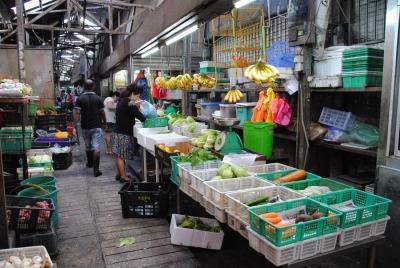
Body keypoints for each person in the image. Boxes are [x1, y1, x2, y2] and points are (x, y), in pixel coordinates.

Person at [112, 84, 146, 182]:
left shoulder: (122, 101)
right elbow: (141, 117)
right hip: (123, 133)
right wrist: (138, 107)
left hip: (118, 132)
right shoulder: (130, 103)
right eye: (138, 95)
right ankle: (123, 177)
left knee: (118, 156)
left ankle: (120, 174)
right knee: (121, 156)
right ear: (133, 94)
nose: (137, 97)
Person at [73, 79, 106, 177]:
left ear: (84, 87)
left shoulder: (80, 99)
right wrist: (104, 122)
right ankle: (96, 170)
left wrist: (75, 126)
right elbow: (102, 112)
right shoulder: (98, 98)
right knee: (96, 147)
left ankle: (90, 163)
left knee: (87, 146)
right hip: (97, 126)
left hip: (85, 126)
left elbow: (76, 113)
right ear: (93, 87)